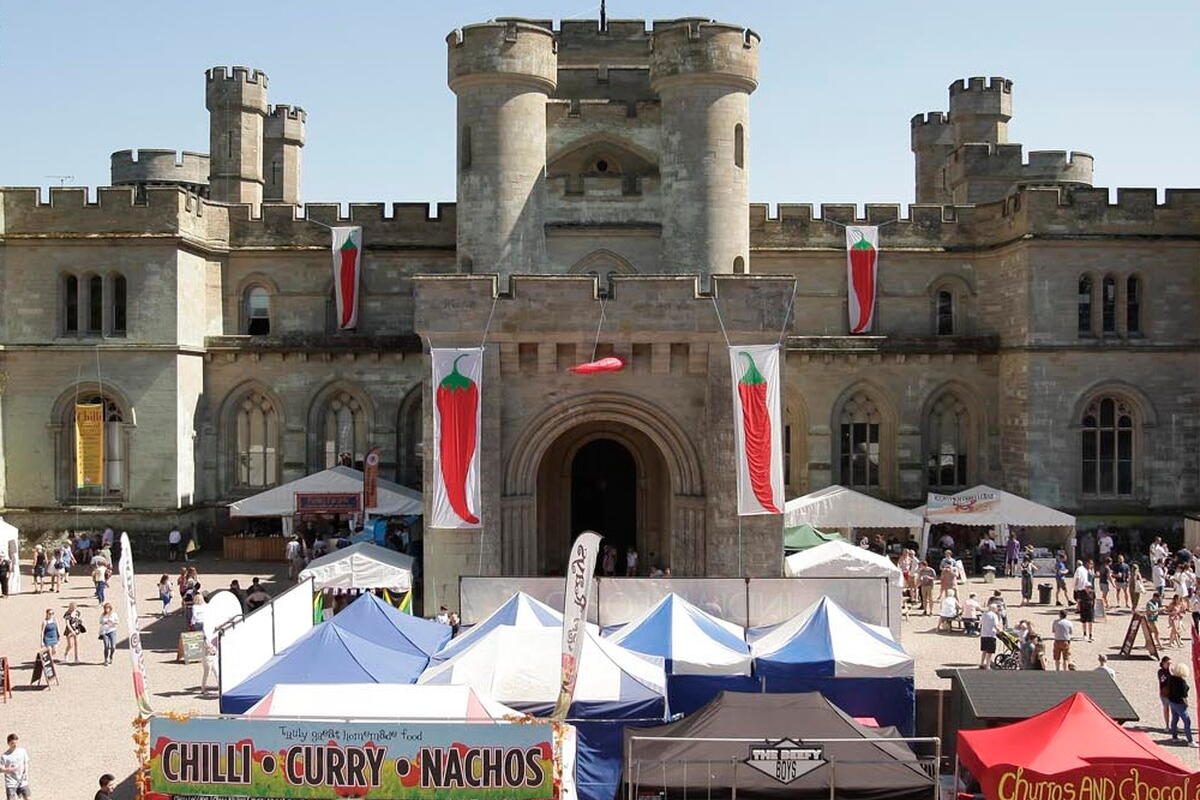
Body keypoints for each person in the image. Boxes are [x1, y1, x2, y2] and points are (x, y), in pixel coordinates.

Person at [1167, 664, 1194, 745]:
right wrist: (1186, 704)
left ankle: (1174, 737)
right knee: (1187, 721)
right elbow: (1184, 695)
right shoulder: (1182, 682)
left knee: (1175, 719)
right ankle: (1190, 740)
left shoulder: (1171, 678)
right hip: (1179, 703)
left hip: (1172, 701)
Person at [1, 733, 31, 800]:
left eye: (16, 743)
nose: (15, 745)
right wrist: (5, 770)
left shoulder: (22, 751)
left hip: (22, 781)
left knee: (27, 798)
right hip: (10, 783)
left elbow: (25, 762)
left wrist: (26, 773)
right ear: (8, 743)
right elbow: (0, 769)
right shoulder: (5, 756)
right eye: (12, 743)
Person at [978, 604, 1000, 669]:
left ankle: (982, 663)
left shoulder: (984, 614)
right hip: (991, 635)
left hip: (984, 634)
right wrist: (999, 630)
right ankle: (988, 665)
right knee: (989, 652)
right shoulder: (994, 615)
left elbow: (981, 623)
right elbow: (996, 625)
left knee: (984, 650)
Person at [1158, 656, 1173, 731]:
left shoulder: (1171, 671)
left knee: (1174, 710)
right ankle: (1167, 725)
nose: (1169, 665)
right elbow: (1163, 680)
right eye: (1168, 663)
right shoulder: (1160, 671)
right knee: (1166, 709)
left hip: (1172, 693)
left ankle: (1173, 725)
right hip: (1164, 693)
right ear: (1163, 663)